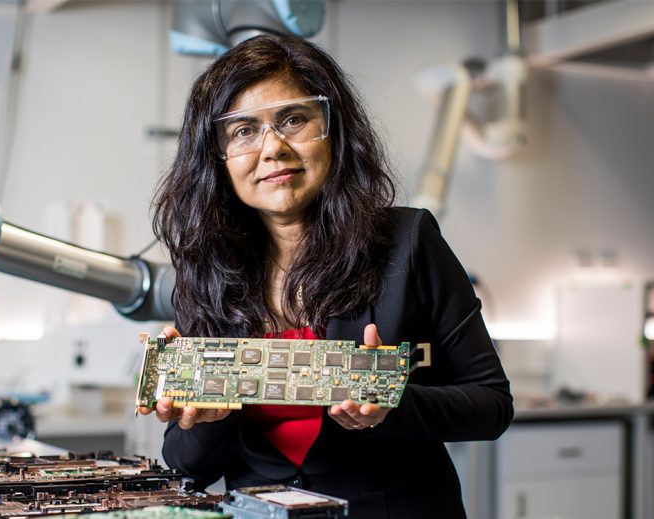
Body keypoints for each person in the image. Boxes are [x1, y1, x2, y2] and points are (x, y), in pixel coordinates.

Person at [140, 34, 513, 518]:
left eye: (294, 120)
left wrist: (389, 405)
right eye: (243, 131)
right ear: (217, 157)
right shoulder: (207, 268)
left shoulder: (408, 241)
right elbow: (187, 467)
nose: (272, 147)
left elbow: (491, 404)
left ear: (333, 130)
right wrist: (207, 417)